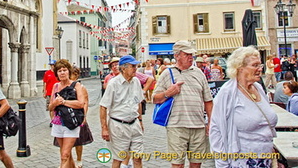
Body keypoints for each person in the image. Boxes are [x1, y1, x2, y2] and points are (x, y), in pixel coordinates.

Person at [210, 46, 278, 168]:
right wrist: (222, 163)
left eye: (260, 65)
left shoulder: (258, 88)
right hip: (242, 161)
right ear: (240, 68)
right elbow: (216, 131)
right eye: (255, 65)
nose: (259, 69)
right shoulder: (228, 92)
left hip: (266, 159)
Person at [153, 40, 213, 168]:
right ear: (177, 55)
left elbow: (208, 100)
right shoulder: (167, 73)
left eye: (192, 54)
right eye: (187, 54)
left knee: (196, 164)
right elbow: (155, 99)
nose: (191, 57)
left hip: (198, 126)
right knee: (178, 165)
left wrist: (210, 122)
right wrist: (168, 93)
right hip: (176, 126)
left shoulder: (199, 73)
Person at [100, 55, 144, 168]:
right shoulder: (113, 83)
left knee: (138, 157)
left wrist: (140, 120)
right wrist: (104, 128)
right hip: (118, 125)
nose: (135, 69)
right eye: (132, 66)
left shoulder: (136, 82)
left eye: (136, 66)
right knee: (118, 158)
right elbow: (103, 106)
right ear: (123, 68)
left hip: (134, 124)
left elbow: (139, 102)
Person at [53, 66, 93, 168]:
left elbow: (84, 103)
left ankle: (79, 159)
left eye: (65, 71)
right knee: (66, 152)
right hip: (60, 121)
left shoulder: (79, 87)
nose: (63, 74)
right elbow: (51, 106)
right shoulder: (57, 86)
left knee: (77, 144)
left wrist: (84, 117)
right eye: (60, 71)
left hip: (75, 119)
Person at [43, 60, 58, 126]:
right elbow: (45, 82)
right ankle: (52, 120)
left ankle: (56, 119)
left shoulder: (57, 73)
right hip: (49, 92)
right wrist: (44, 92)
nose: (52, 67)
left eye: (53, 65)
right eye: (51, 65)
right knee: (50, 107)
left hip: (57, 92)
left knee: (56, 107)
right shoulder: (47, 73)